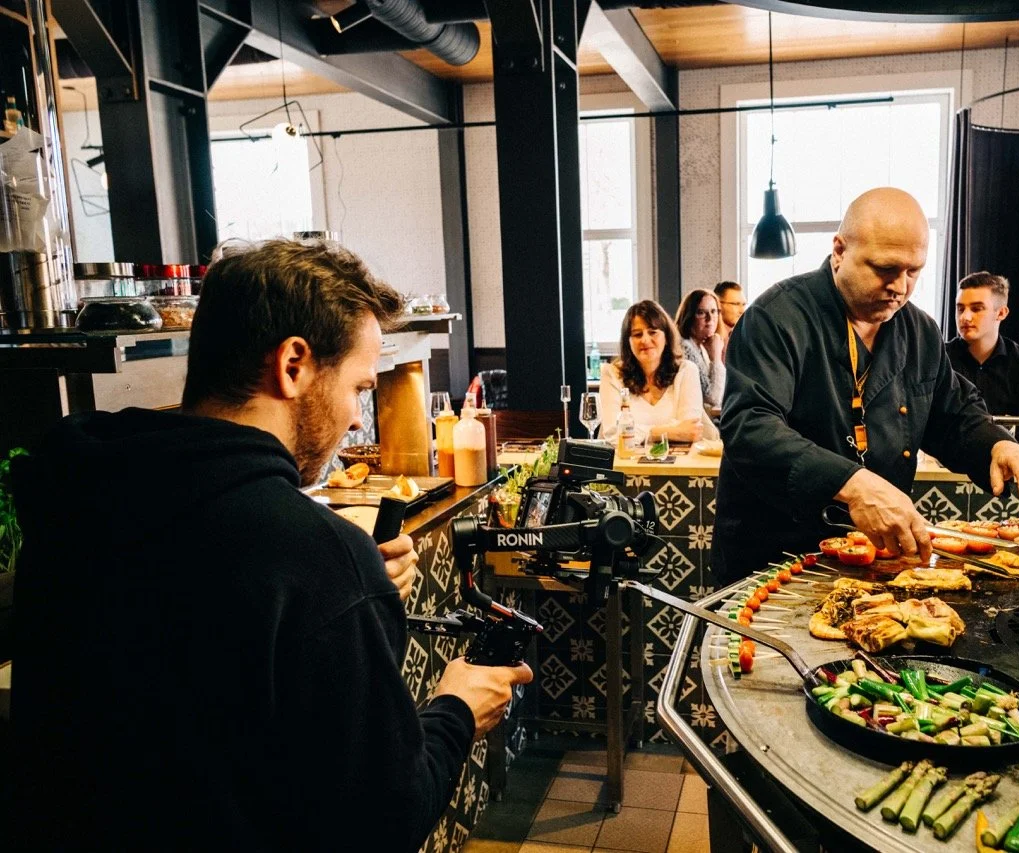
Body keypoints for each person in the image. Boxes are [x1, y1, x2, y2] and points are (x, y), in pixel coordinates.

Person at [10, 240, 533, 851]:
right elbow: (381, 820)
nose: (359, 418)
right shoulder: (317, 558)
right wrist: (456, 710)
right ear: (293, 365)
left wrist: (339, 597)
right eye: (359, 388)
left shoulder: (78, 500)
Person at [711, 188, 1019, 585]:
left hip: (874, 558)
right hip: (775, 552)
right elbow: (750, 426)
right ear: (839, 250)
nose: (900, 286)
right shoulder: (777, 317)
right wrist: (853, 485)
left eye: (914, 271)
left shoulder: (919, 330)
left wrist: (997, 444)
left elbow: (952, 411)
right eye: (884, 269)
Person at [599, 300, 709, 443]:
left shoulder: (686, 370)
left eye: (653, 332)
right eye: (637, 334)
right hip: (624, 463)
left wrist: (634, 432)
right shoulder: (612, 374)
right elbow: (613, 434)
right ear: (628, 342)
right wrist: (669, 432)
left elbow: (690, 430)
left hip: (679, 463)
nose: (645, 340)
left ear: (667, 337)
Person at [945, 271, 1019, 417]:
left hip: (1009, 440)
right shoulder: (941, 358)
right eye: (960, 309)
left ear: (1001, 313)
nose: (965, 317)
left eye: (976, 309)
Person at [674, 288, 726, 408]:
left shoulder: (701, 345)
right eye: (701, 312)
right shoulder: (685, 348)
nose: (710, 319)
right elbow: (713, 399)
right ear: (689, 316)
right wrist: (716, 358)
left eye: (714, 311)